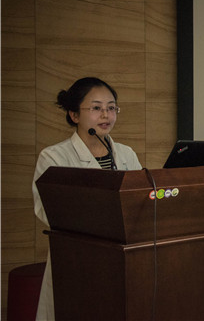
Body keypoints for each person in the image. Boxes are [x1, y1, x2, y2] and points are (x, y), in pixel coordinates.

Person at [32, 77, 142, 320]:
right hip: (76, 260)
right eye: (96, 108)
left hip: (122, 259)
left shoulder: (126, 154)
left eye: (111, 108)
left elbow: (139, 202)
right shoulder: (54, 157)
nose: (106, 115)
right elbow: (47, 210)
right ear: (74, 115)